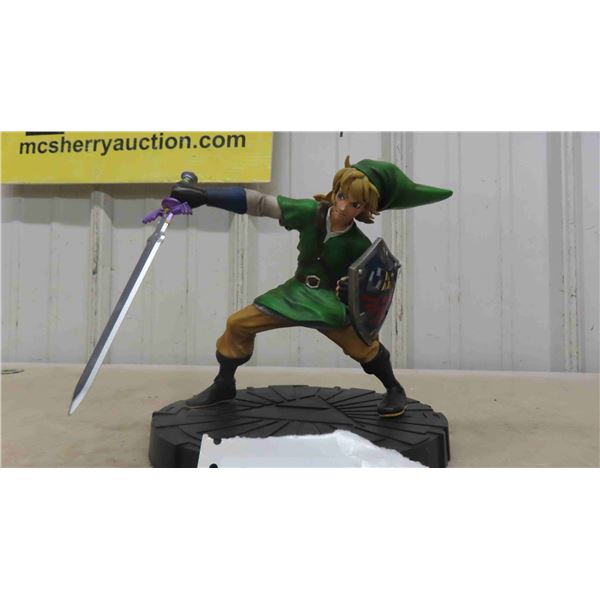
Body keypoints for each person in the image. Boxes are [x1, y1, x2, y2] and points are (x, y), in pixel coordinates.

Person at [144, 157, 452, 417]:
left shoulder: (359, 243)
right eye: (341, 196)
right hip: (295, 292)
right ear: (336, 190)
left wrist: (350, 291)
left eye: (355, 203)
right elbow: (261, 204)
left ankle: (394, 388)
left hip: (329, 303)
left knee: (364, 347)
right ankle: (224, 384)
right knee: (238, 324)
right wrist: (204, 197)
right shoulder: (310, 213)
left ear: (366, 209)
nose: (343, 206)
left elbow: (370, 280)